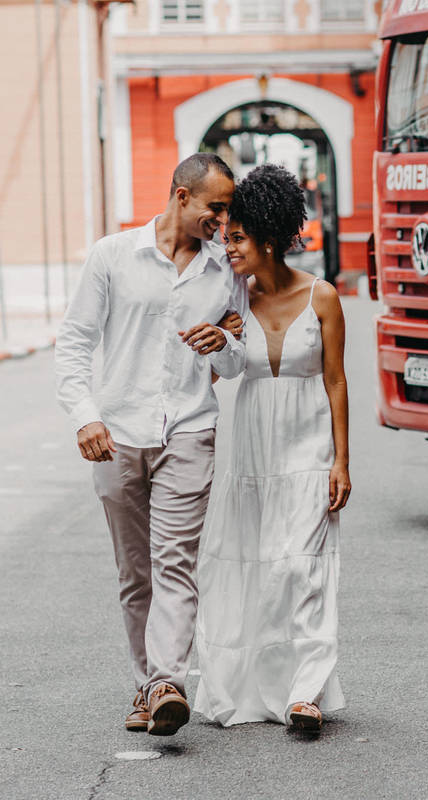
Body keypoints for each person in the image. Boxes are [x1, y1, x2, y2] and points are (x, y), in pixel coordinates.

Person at [55, 153, 247, 736]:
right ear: (180, 195)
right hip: (116, 435)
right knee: (135, 571)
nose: (221, 221)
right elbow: (74, 343)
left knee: (175, 563)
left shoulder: (225, 270)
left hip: (189, 429)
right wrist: (85, 415)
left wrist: (220, 344)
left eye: (227, 210)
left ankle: (167, 680)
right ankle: (148, 687)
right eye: (214, 207)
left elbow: (238, 361)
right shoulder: (112, 255)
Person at [194, 163, 350, 732]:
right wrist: (217, 341)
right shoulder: (234, 303)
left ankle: (306, 692)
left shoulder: (324, 297)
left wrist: (342, 461)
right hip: (253, 456)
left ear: (265, 238)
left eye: (236, 237)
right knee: (259, 571)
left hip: (309, 454)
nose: (227, 247)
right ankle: (261, 688)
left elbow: (336, 381)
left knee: (303, 570)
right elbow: (218, 373)